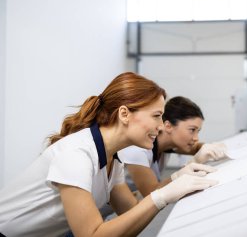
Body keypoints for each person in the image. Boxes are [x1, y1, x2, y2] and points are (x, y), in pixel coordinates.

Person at [0, 72, 218, 237]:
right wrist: (162, 196)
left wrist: (175, 181)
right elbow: (92, 235)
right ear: (124, 113)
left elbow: (131, 215)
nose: (161, 126)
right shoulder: (77, 154)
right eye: (156, 116)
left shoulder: (113, 159)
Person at [118, 96, 228, 197]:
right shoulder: (138, 149)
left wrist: (210, 147)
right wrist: (180, 174)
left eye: (197, 131)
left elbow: (196, 147)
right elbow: (152, 193)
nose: (196, 138)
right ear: (168, 126)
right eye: (192, 130)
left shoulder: (167, 145)